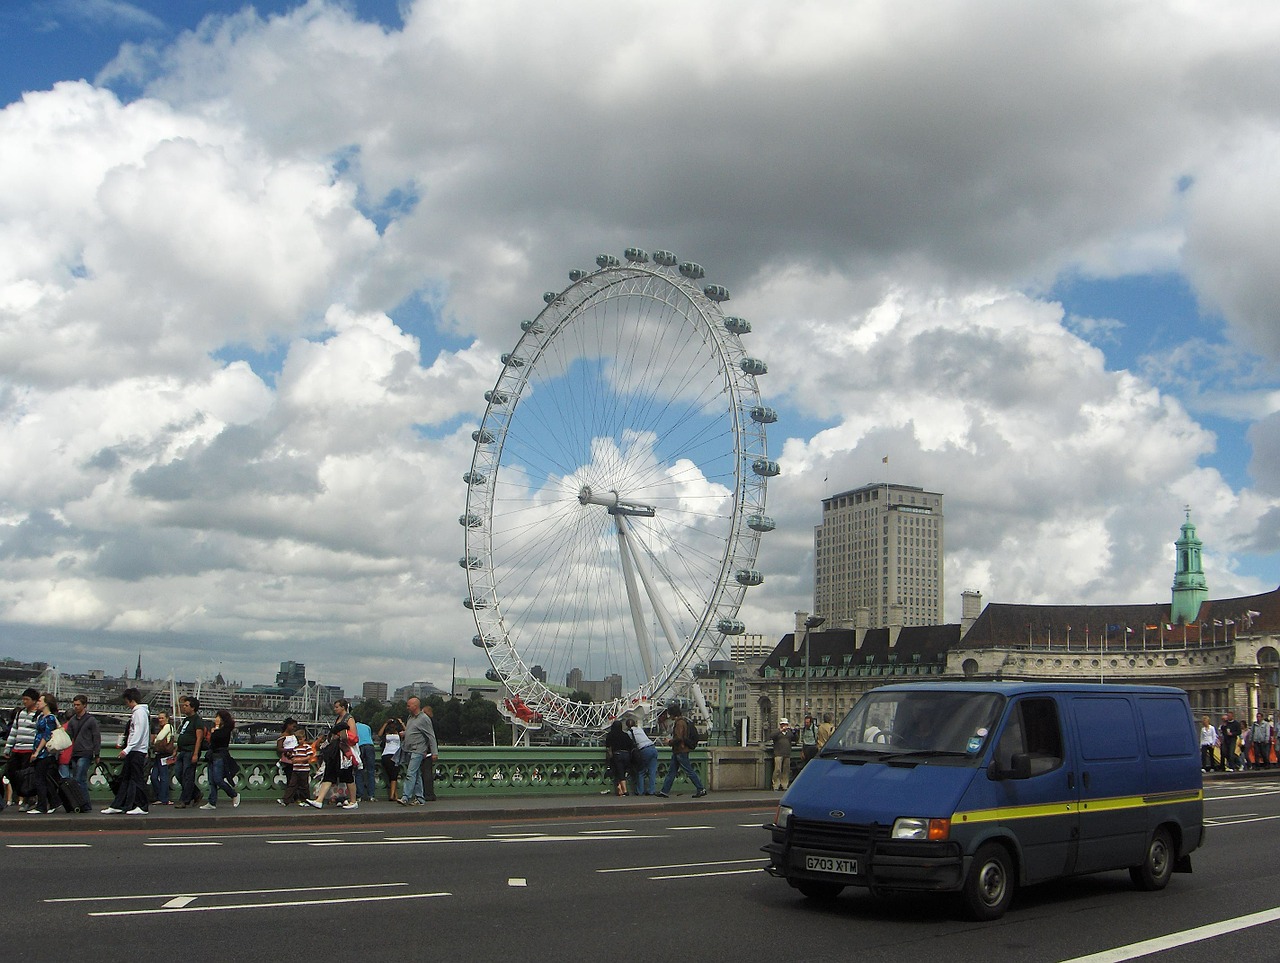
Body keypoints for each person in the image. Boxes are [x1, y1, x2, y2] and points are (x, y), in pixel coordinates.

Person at [102, 688, 149, 814]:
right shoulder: (139, 712)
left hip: (136, 751)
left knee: (136, 779)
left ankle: (143, 806)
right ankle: (118, 804)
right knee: (126, 779)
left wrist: (127, 749)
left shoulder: (139, 713)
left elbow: (137, 734)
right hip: (135, 750)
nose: (126, 705)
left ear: (131, 700)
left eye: (126, 702)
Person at [306, 699, 359, 809]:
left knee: (347, 776)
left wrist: (339, 734)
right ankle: (319, 800)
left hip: (344, 752)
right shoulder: (338, 719)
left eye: (337, 707)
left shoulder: (349, 719)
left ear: (343, 707)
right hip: (335, 751)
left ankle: (353, 801)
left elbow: (353, 736)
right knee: (329, 774)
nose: (335, 709)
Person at [656, 705, 707, 799]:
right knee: (672, 771)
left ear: (672, 714)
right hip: (679, 750)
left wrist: (669, 742)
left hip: (680, 750)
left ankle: (701, 788)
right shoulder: (683, 721)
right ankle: (664, 791)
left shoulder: (679, 723)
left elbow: (679, 738)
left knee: (688, 771)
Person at [3, 688, 40, 811]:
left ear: (34, 701)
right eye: (23, 699)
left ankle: (28, 800)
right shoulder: (20, 713)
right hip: (17, 749)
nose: (24, 702)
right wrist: (8, 747)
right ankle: (21, 795)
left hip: (29, 750)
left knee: (27, 777)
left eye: (27, 699)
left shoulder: (38, 715)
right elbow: (14, 731)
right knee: (11, 773)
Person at [398, 697, 438, 805]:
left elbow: (431, 736)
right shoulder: (410, 718)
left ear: (415, 706)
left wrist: (434, 752)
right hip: (409, 749)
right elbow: (412, 731)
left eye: (409, 705)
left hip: (418, 750)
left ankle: (405, 797)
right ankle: (420, 798)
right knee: (417, 775)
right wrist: (405, 734)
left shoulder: (424, 719)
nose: (407, 707)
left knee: (410, 773)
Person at [201, 709, 242, 809]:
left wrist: (216, 729)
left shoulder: (225, 730)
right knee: (211, 781)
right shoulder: (217, 729)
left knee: (218, 779)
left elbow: (216, 738)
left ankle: (234, 794)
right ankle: (212, 802)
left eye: (218, 717)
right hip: (212, 755)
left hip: (220, 756)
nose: (216, 719)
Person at [27, 693, 60, 814]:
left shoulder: (49, 718)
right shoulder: (41, 717)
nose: (38, 703)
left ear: (46, 703)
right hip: (39, 751)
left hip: (44, 753)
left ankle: (41, 806)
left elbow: (46, 736)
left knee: (40, 779)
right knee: (43, 779)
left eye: (40, 701)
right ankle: (54, 802)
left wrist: (37, 752)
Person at [66, 695, 101, 804]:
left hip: (86, 752)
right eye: (74, 705)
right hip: (75, 753)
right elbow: (68, 737)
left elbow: (96, 737)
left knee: (79, 778)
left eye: (78, 705)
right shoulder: (72, 720)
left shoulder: (91, 720)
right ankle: (82, 802)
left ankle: (84, 803)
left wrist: (97, 754)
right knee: (79, 779)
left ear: (84, 705)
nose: (76, 707)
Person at [173, 696, 206, 809]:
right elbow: (182, 735)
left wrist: (195, 754)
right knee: (178, 774)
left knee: (188, 776)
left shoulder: (197, 721)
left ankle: (184, 800)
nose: (184, 707)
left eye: (186, 705)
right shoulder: (186, 720)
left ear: (193, 708)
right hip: (182, 751)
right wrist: (176, 749)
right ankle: (196, 793)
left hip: (190, 752)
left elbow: (199, 738)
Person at [626, 715, 659, 796]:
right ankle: (651, 790)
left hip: (644, 750)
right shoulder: (640, 729)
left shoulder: (629, 733)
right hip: (653, 748)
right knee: (652, 771)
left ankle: (640, 791)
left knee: (641, 771)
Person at [150, 711, 175, 805]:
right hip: (159, 754)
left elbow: (159, 738)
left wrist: (155, 739)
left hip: (164, 754)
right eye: (159, 718)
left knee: (163, 777)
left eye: (162, 718)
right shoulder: (162, 728)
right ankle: (160, 796)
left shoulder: (168, 726)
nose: (160, 720)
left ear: (167, 718)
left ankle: (164, 798)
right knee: (154, 777)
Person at [604, 719, 634, 796]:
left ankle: (624, 790)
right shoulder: (625, 735)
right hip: (627, 755)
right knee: (622, 772)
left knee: (618, 772)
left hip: (617, 754)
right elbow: (631, 745)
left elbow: (607, 747)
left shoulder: (610, 735)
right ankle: (620, 790)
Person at [378, 718, 404, 802]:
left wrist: (385, 723)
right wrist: (402, 723)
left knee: (391, 776)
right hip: (395, 755)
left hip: (385, 755)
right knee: (394, 775)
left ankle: (395, 795)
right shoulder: (399, 734)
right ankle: (392, 795)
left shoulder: (386, 735)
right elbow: (408, 732)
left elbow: (379, 734)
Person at [767, 718, 794, 792]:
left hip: (787, 753)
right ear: (781, 725)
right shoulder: (777, 732)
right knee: (777, 770)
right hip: (778, 753)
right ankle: (776, 785)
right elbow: (771, 736)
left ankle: (784, 784)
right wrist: (780, 731)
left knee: (786, 770)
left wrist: (794, 731)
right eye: (783, 724)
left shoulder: (789, 733)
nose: (785, 726)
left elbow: (795, 738)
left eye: (786, 724)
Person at [355, 717, 377, 802]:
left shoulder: (352, 726)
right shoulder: (367, 726)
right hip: (370, 746)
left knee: (359, 770)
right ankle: (371, 795)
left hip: (359, 746)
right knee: (371, 771)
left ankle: (359, 795)